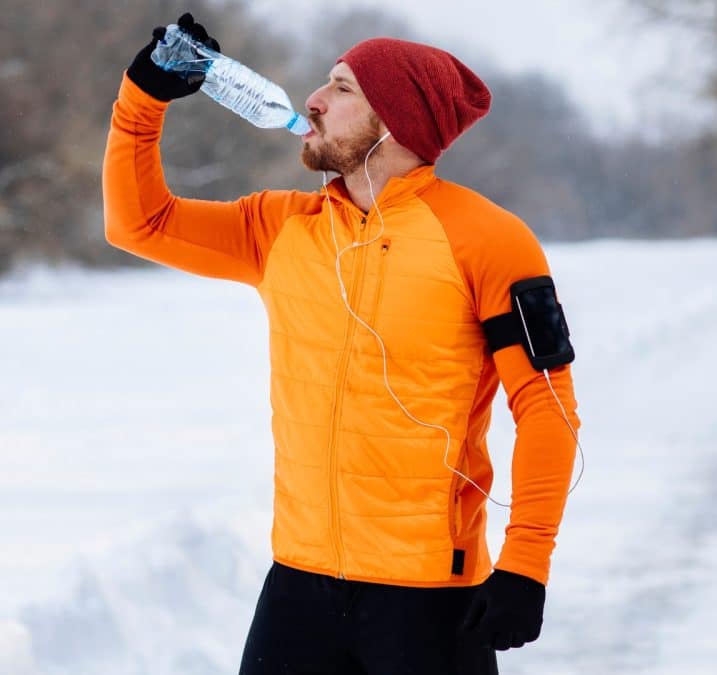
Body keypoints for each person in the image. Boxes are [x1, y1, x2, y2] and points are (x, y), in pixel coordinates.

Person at [104, 13, 581, 675]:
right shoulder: (280, 226)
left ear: (396, 120)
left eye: (342, 88)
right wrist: (143, 98)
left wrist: (526, 565)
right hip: (299, 588)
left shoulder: (488, 239)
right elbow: (140, 223)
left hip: (429, 600)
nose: (314, 100)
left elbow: (547, 409)